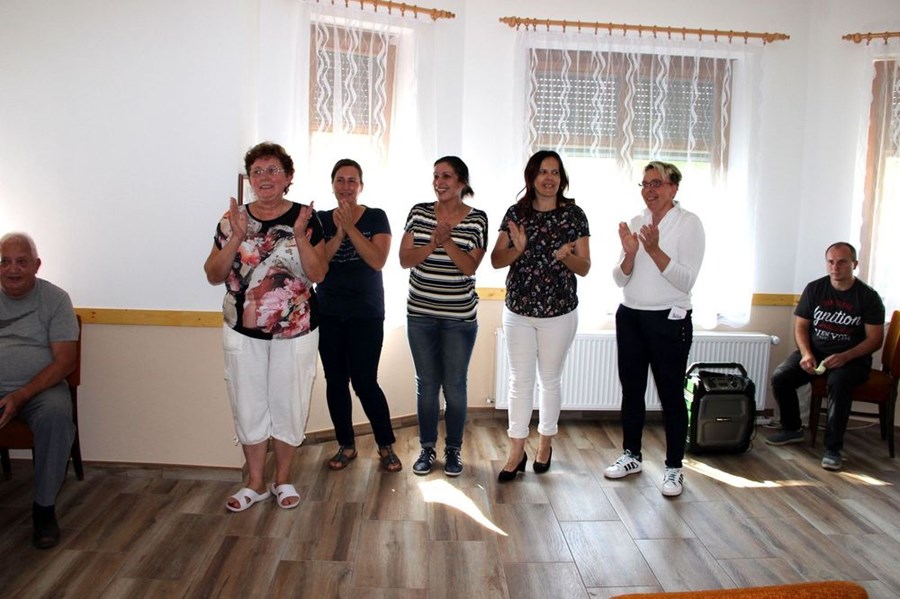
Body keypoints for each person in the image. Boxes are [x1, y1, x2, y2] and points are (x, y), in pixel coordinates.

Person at [204, 142, 328, 511]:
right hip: (242, 330)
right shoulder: (232, 220)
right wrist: (237, 237)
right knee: (248, 403)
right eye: (257, 171)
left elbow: (318, 273)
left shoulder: (306, 218)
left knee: (289, 402)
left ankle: (283, 479)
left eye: (273, 170)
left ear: (288, 177)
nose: (264, 177)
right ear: (250, 179)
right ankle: (256, 483)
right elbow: (213, 274)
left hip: (296, 330)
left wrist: (301, 236)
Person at [604, 161, 705, 498]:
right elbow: (619, 278)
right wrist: (630, 254)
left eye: (657, 183)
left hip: (669, 320)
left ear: (673, 187)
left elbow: (686, 280)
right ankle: (631, 455)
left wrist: (654, 250)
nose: (650, 190)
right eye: (645, 184)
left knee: (671, 395)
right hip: (630, 316)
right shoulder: (636, 221)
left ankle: (674, 467)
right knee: (632, 392)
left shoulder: (689, 223)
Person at [491, 150, 591, 482]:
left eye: (555, 172)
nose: (549, 178)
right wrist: (517, 249)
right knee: (519, 381)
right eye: (543, 172)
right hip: (518, 310)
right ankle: (516, 450)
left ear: (562, 178)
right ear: (532, 177)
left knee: (549, 380)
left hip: (558, 312)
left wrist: (566, 257)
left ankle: (545, 444)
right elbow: (496, 260)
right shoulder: (516, 213)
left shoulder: (574, 215)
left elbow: (585, 267)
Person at [399, 156, 488, 477]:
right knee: (426, 385)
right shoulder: (419, 212)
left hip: (458, 319)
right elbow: (405, 259)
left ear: (462, 182)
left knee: (454, 386)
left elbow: (469, 267)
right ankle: (426, 449)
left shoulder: (478, 219)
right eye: (436, 176)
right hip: (420, 315)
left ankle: (453, 450)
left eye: (446, 176)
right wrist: (432, 243)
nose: (439, 182)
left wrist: (446, 240)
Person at [765, 242, 884, 471]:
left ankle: (833, 448)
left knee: (838, 383)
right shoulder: (815, 289)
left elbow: (875, 339)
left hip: (852, 359)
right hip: (815, 353)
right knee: (781, 377)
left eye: (842, 262)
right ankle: (792, 429)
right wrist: (806, 354)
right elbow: (801, 326)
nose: (835, 267)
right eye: (831, 262)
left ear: (854, 264)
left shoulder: (868, 297)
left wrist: (846, 356)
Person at [317, 159, 401, 472]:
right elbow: (318, 266)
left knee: (365, 382)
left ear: (361, 186)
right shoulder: (320, 220)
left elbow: (377, 260)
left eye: (352, 180)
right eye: (340, 180)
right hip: (328, 312)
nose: (346, 186)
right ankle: (346, 445)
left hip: (366, 313)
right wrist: (338, 233)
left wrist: (350, 227)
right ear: (332, 185)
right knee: (335, 382)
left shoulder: (376, 216)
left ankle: (386, 445)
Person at [0, 232, 79, 548]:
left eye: (21, 261)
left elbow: (65, 361)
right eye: (5, 262)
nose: (13, 269)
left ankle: (44, 509)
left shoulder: (55, 299)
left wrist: (21, 395)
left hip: (40, 391)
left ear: (37, 265)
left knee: (57, 416)